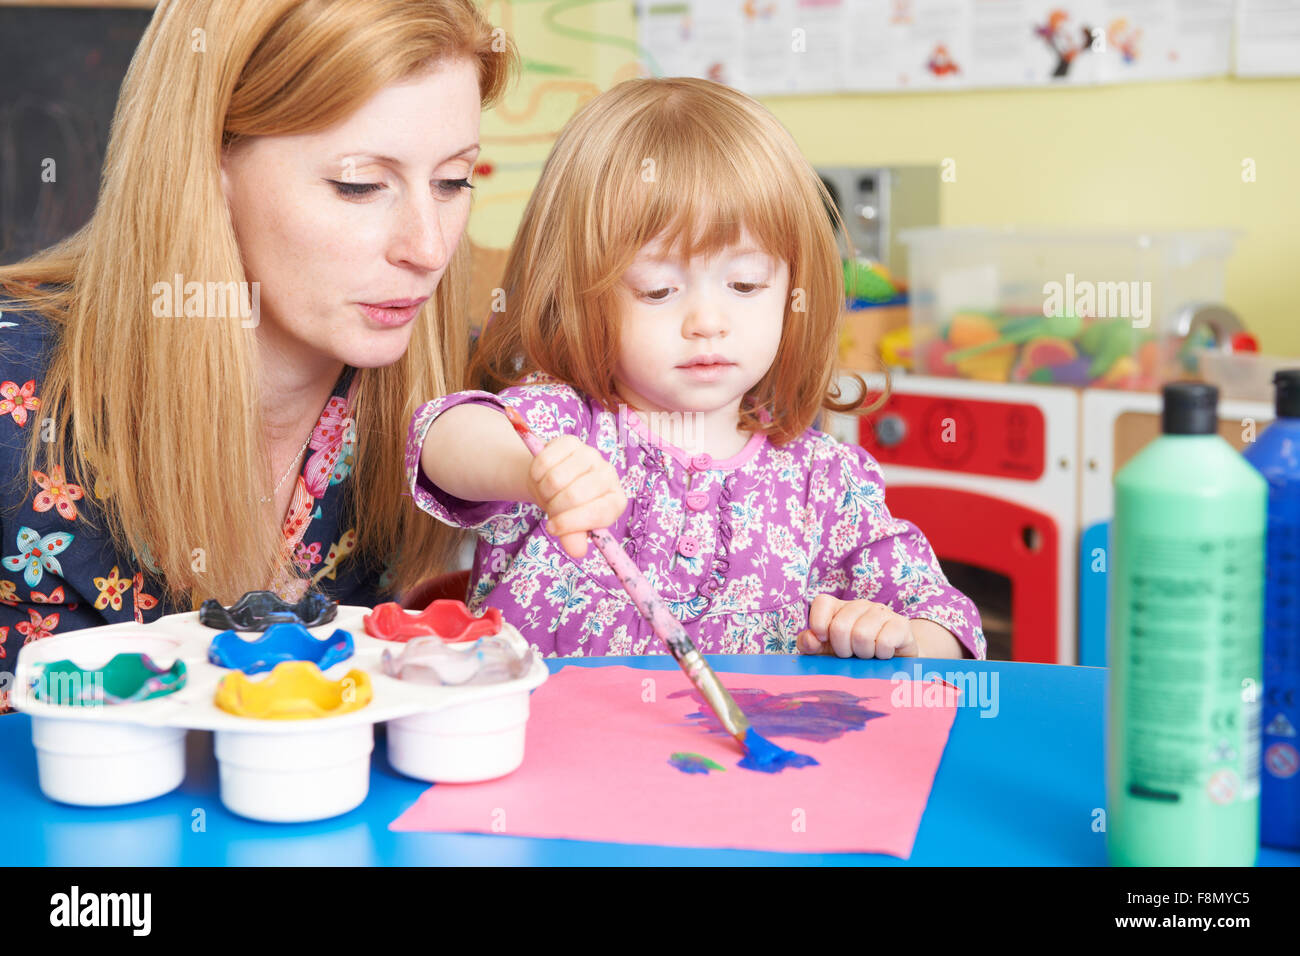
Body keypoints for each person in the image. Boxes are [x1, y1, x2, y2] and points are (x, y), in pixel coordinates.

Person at [0, 0, 517, 706]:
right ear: (206, 167)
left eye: (454, 181)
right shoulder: (17, 396)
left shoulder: (461, 408)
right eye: (359, 184)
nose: (429, 249)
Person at [406, 77, 985, 660]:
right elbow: (442, 439)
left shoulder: (825, 483)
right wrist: (530, 471)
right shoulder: (565, 426)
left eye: (745, 284)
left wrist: (896, 636)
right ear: (577, 296)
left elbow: (945, 622)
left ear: (792, 290)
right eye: (658, 290)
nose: (708, 321)